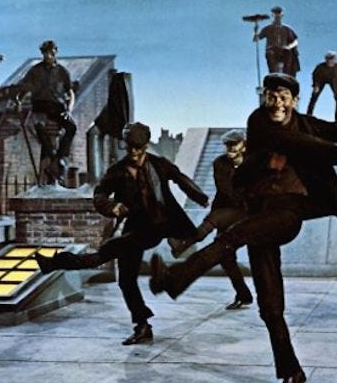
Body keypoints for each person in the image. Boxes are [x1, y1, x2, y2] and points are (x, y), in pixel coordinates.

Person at [148, 73, 337, 383]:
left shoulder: (306, 124)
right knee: (270, 308)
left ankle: (174, 279)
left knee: (233, 236)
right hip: (259, 214)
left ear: (295, 101)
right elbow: (296, 143)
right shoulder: (259, 122)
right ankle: (291, 372)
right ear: (264, 99)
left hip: (288, 212)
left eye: (284, 97)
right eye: (271, 96)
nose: (277, 103)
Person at [35, 123, 209, 345]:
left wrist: (201, 198)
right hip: (133, 227)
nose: (134, 153)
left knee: (109, 249)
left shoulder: (159, 165)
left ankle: (55, 263)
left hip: (158, 225)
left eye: (139, 148)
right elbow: (99, 194)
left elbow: (182, 179)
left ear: (145, 146)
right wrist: (112, 206)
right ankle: (142, 326)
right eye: (130, 148)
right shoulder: (117, 171)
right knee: (126, 279)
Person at [168, 129, 253, 310]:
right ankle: (243, 294)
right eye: (227, 144)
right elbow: (226, 190)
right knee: (226, 257)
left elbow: (247, 195)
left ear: (244, 146)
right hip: (225, 210)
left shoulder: (253, 164)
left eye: (234, 144)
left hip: (245, 212)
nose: (230, 148)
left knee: (214, 221)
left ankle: (184, 243)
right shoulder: (219, 163)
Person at [16, 40, 76, 182]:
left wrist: (69, 109)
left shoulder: (62, 71)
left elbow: (70, 92)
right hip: (40, 105)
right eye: (46, 53)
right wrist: (19, 101)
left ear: (55, 52)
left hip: (57, 107)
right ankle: (54, 159)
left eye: (51, 53)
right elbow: (23, 89)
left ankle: (59, 158)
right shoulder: (35, 70)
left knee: (71, 127)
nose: (48, 56)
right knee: (39, 127)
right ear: (42, 54)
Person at [254, 6, 300, 76]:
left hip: (283, 50)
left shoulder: (286, 29)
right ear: (272, 15)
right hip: (272, 50)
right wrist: (256, 31)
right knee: (270, 55)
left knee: (287, 54)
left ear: (282, 15)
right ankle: (273, 75)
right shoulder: (268, 28)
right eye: (275, 14)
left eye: (278, 13)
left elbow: (295, 41)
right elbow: (256, 39)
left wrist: (289, 46)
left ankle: (286, 76)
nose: (277, 15)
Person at [306, 51, 337, 122]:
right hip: (321, 80)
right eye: (328, 59)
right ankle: (309, 116)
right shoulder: (320, 67)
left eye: (332, 59)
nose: (330, 61)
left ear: (335, 60)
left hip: (335, 81)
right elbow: (315, 76)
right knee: (314, 96)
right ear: (326, 60)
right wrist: (315, 85)